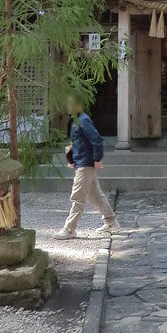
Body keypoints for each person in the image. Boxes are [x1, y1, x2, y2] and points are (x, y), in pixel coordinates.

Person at [54, 94, 119, 239]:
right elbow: (77, 143)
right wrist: (71, 158)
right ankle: (111, 222)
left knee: (77, 197)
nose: (68, 107)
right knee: (95, 195)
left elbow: (96, 140)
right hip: (81, 162)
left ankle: (69, 229)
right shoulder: (77, 121)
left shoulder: (83, 120)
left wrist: (97, 159)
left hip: (85, 164)